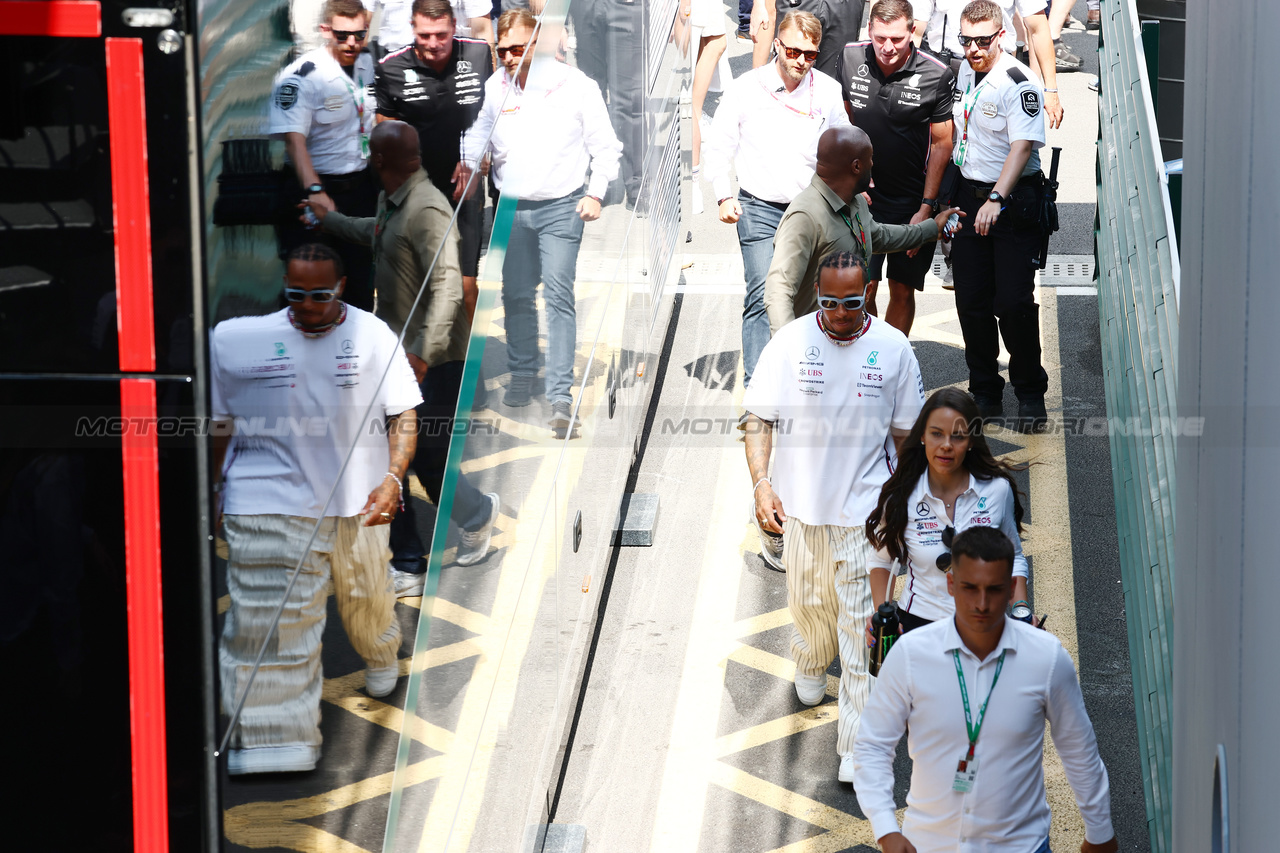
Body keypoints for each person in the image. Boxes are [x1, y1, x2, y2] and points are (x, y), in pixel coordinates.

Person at [211, 243, 421, 774]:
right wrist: (215, 487)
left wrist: (394, 478)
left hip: (359, 505)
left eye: (319, 295)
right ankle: (274, 736)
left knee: (366, 600)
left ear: (342, 288)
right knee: (274, 622)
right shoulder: (242, 342)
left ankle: (381, 650)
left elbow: (404, 416)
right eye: (295, 294)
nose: (306, 305)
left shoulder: (372, 335)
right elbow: (222, 423)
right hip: (275, 506)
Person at [742, 250, 925, 783]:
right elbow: (759, 417)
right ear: (817, 296)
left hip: (866, 518)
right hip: (800, 514)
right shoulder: (791, 342)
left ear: (868, 292)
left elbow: (907, 436)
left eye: (850, 302)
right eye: (829, 303)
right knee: (810, 608)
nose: (840, 313)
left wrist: (903, 503)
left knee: (861, 628)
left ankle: (857, 746)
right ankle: (809, 656)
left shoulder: (893, 349)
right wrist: (761, 484)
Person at [305, 120, 501, 594]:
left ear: (377, 162)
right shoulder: (392, 202)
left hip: (429, 360)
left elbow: (449, 289)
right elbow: (376, 234)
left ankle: (473, 515)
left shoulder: (427, 209)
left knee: (425, 458)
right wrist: (328, 218)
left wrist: (422, 355)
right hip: (397, 355)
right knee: (388, 455)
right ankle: (410, 560)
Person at [852, 526, 1119, 853]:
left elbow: (1080, 750)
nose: (981, 603)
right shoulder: (909, 656)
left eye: (993, 590)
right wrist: (885, 829)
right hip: (928, 844)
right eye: (969, 588)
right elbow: (872, 746)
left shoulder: (1047, 659)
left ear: (1010, 590)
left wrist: (1100, 833)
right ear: (951, 585)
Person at [458, 9, 622, 432]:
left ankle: (560, 398)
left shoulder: (577, 87)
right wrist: (467, 165)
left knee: (558, 297)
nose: (509, 57)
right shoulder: (494, 87)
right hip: (511, 208)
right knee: (514, 295)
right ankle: (523, 373)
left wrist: (595, 193)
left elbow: (606, 146)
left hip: (561, 208)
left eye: (518, 48)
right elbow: (477, 135)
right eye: (502, 49)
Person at [702, 10, 851, 392]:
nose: (801, 61)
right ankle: (758, 392)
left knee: (811, 299)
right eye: (794, 51)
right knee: (762, 295)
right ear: (778, 46)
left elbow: (844, 148)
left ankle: (805, 384)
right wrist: (723, 194)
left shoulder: (829, 92)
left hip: (811, 211)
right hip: (759, 208)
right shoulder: (746, 88)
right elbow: (719, 145)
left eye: (811, 54)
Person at [948, 0, 1050, 433]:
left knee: (1012, 304)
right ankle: (985, 391)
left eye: (982, 41)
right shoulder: (965, 71)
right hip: (969, 198)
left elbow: (1022, 146)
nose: (972, 49)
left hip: (1010, 203)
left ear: (1002, 35)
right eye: (965, 40)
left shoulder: (1019, 81)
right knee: (971, 302)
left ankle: (1029, 393)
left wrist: (995, 197)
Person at [864, 388, 1031, 643]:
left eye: (958, 436)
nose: (946, 446)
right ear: (922, 436)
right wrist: (881, 617)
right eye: (936, 434)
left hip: (984, 626)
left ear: (971, 441)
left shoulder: (997, 490)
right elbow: (881, 562)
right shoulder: (900, 495)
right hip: (916, 628)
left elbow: (1014, 555)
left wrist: (1021, 609)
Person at [762, 126, 960, 338]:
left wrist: (931, 228)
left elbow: (879, 236)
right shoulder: (805, 216)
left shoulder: (855, 201)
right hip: (816, 352)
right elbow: (778, 291)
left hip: (850, 340)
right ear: (856, 166)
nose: (873, 164)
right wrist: (789, 353)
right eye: (871, 158)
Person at [837, 0, 956, 335]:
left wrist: (926, 207)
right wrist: (851, 182)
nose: (887, 47)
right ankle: (870, 356)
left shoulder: (937, 74)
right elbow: (843, 122)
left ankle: (892, 361)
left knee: (901, 288)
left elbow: (942, 143)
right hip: (863, 201)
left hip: (911, 203)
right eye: (880, 38)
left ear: (912, 32)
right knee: (865, 286)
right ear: (870, 32)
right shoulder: (849, 57)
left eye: (897, 39)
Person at [376, 0, 493, 321]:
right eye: (424, 35)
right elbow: (382, 138)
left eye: (441, 35)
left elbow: (492, 115)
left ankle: (466, 369)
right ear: (412, 28)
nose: (433, 44)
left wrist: (481, 157)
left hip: (463, 190)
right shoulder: (390, 68)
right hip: (417, 198)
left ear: (455, 27)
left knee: (467, 288)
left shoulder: (479, 55)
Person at [269, 0, 380, 311]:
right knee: (311, 290)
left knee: (359, 286)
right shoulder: (300, 76)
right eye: (343, 35)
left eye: (359, 35)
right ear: (325, 30)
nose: (352, 43)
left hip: (360, 191)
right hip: (315, 192)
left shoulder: (369, 65)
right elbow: (294, 141)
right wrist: (315, 191)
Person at [916, 0, 1064, 128]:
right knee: (939, 143)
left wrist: (1050, 89)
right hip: (946, 69)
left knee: (1001, 145)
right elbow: (915, 32)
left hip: (997, 71)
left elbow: (1038, 29)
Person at [571, 0, 645, 209]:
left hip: (625, 6)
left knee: (629, 101)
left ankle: (637, 185)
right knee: (590, 98)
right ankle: (598, 185)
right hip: (583, 6)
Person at [749, 0, 864, 79]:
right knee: (787, 70)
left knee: (832, 82)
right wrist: (759, 5)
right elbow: (768, 15)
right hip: (797, 4)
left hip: (844, 6)